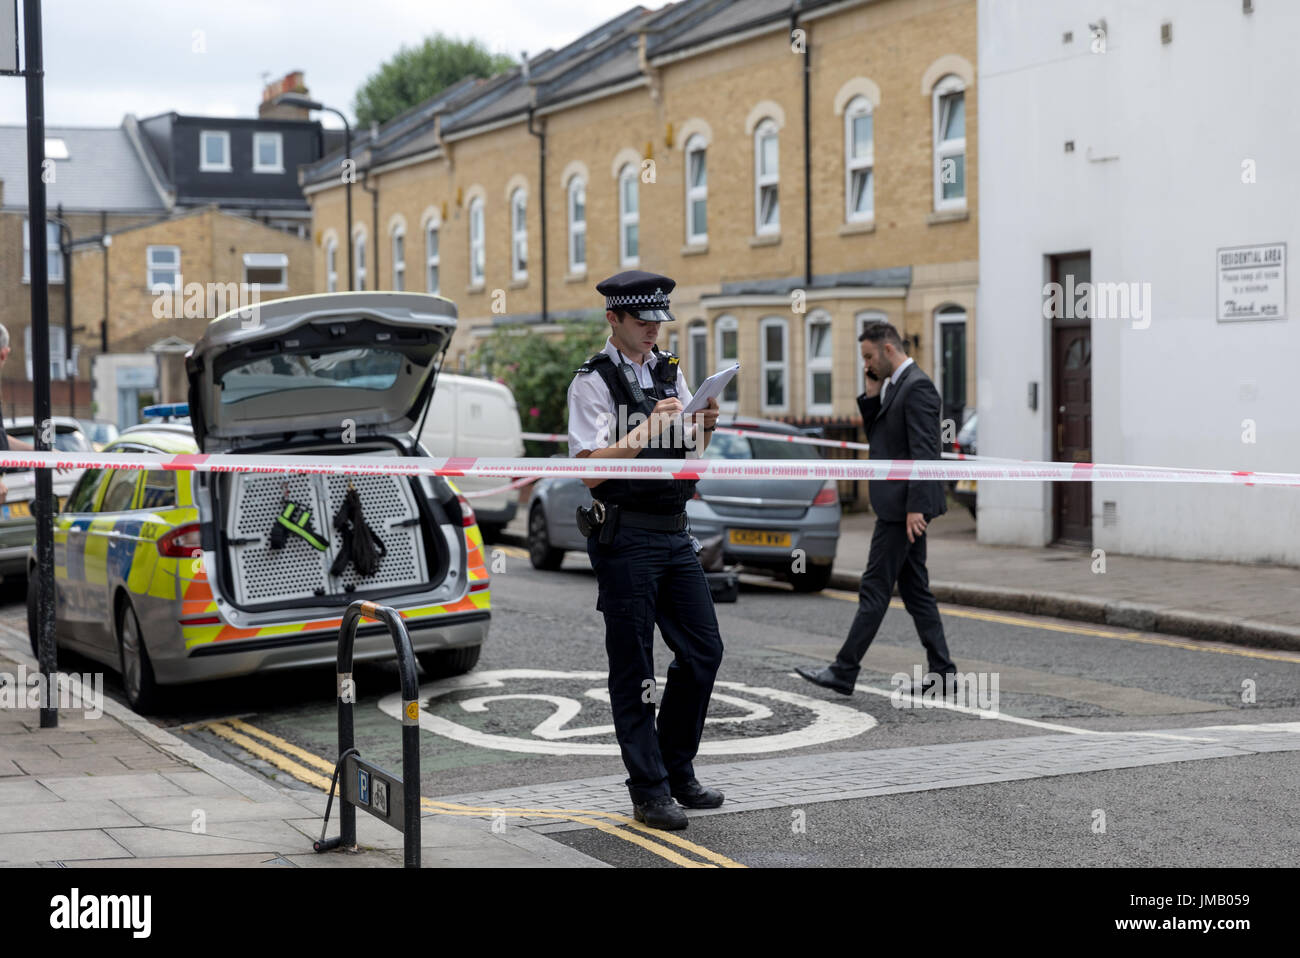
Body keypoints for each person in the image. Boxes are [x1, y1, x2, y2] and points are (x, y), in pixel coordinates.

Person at [566, 269, 724, 831]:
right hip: (625, 535)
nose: (655, 329)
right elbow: (587, 471)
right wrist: (644, 433)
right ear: (614, 319)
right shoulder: (591, 381)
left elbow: (688, 452)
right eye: (644, 320)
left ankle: (675, 768)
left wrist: (703, 424)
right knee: (634, 668)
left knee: (704, 651)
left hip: (673, 529)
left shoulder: (670, 370)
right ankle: (650, 791)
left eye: (660, 319)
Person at [796, 321, 956, 697]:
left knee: (874, 588)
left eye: (869, 356)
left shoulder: (918, 387)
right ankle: (944, 671)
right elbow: (884, 439)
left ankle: (844, 670)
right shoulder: (895, 387)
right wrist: (871, 396)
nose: (866, 363)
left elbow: (925, 451)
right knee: (915, 590)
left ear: (888, 349)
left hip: (903, 509)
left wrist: (917, 507)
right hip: (898, 505)